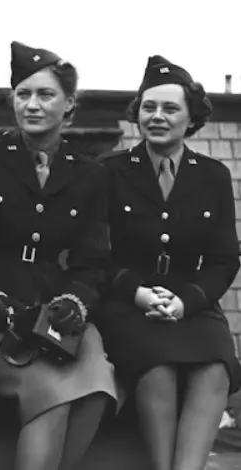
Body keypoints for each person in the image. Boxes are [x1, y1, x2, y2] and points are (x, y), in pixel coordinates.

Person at [0, 41, 118, 470]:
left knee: (97, 388)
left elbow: (93, 260)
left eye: (46, 95)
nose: (32, 105)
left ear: (69, 104)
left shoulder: (89, 174)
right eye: (23, 94)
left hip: (59, 312)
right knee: (50, 396)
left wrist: (74, 302)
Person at [97, 55, 241, 470]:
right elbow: (94, 256)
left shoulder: (212, 175)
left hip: (191, 303)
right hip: (128, 302)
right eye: (149, 107)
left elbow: (223, 259)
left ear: (191, 117)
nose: (157, 117)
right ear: (137, 112)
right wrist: (138, 295)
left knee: (216, 366)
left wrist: (187, 303)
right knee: (156, 367)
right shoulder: (109, 172)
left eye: (170, 108)